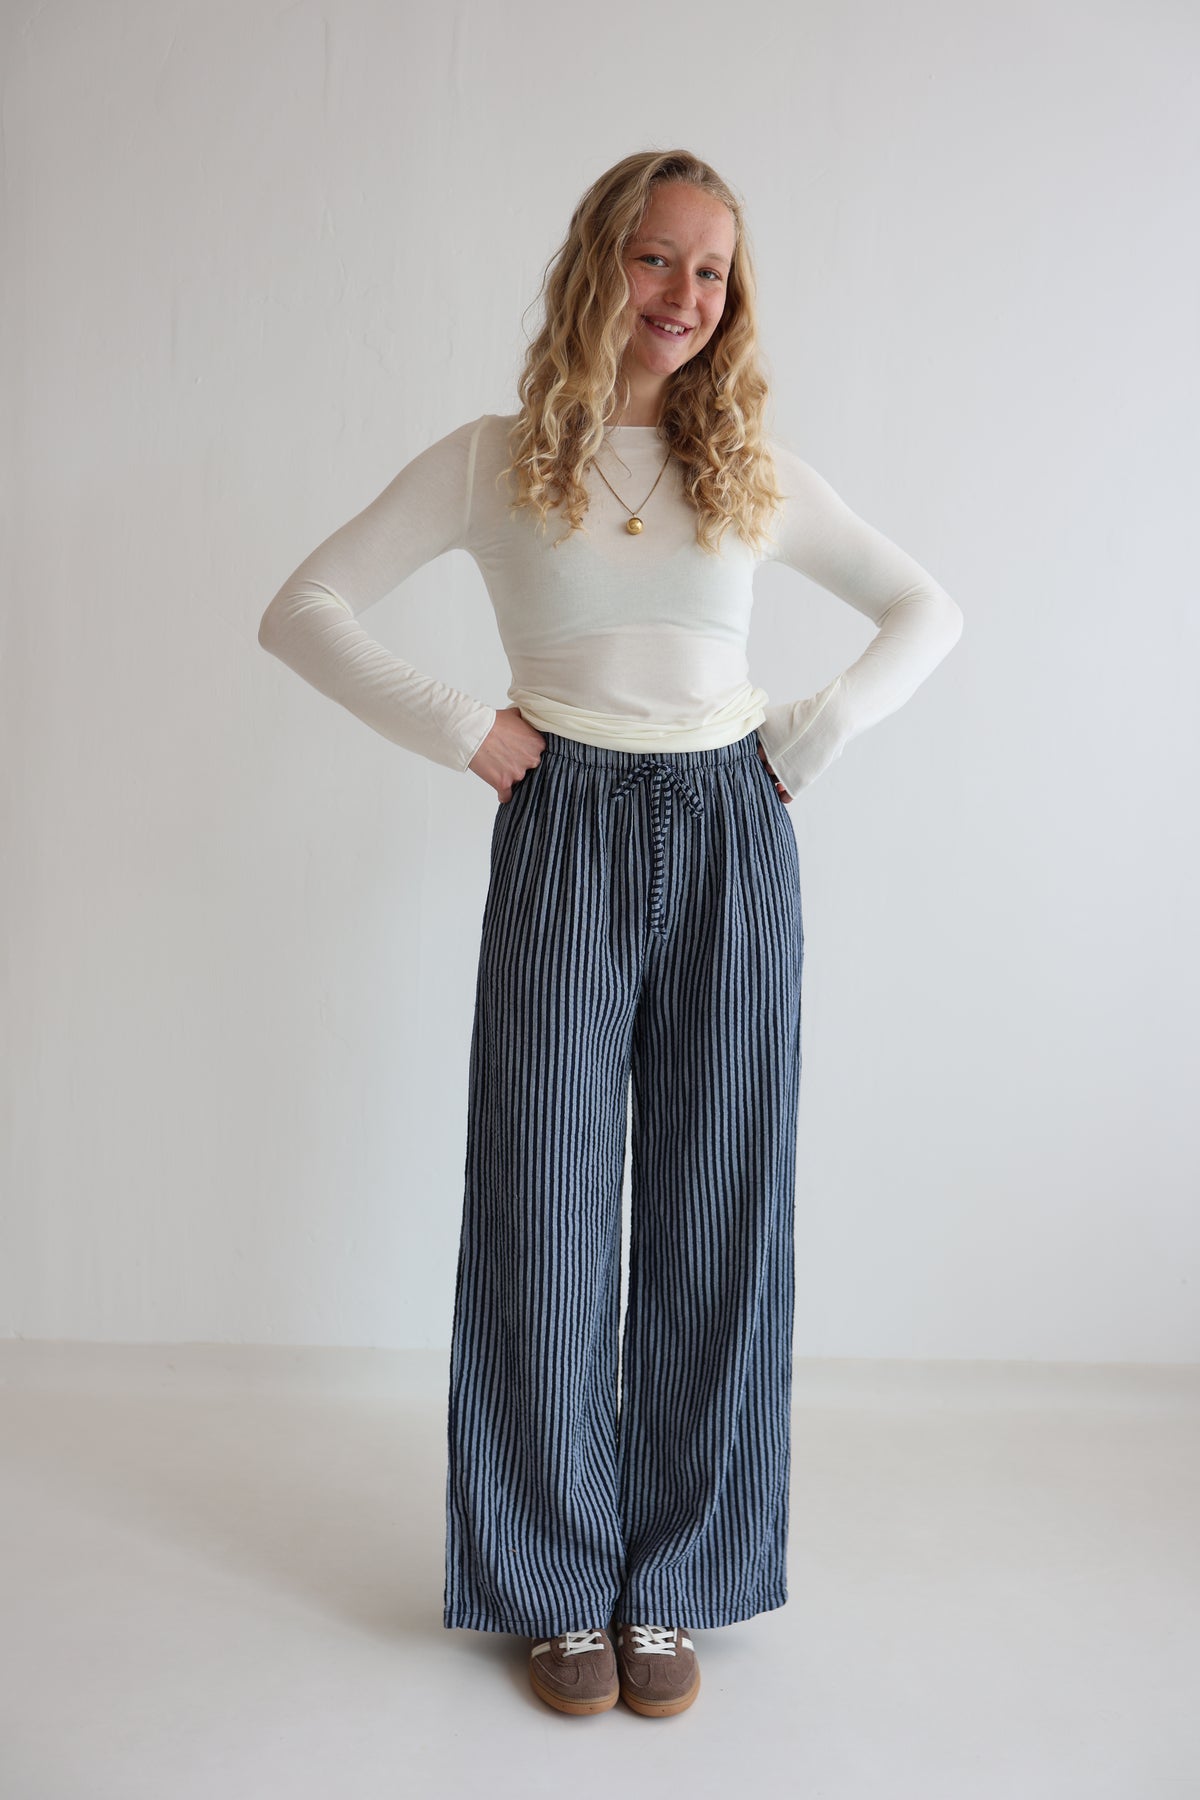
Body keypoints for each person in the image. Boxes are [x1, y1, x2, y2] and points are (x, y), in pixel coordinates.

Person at [257, 148, 963, 1720]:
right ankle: (556, 1583)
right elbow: (301, 607)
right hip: (563, 818)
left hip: (731, 823)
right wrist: (468, 728)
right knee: (545, 1204)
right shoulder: (492, 459)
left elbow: (930, 608)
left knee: (721, 1202)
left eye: (712, 272)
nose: (684, 296)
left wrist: (809, 736)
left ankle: (679, 1578)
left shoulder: (751, 466)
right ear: (599, 262)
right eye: (658, 259)